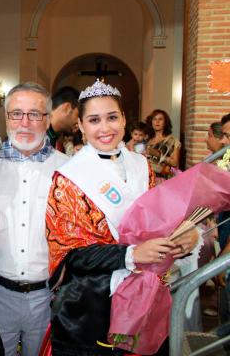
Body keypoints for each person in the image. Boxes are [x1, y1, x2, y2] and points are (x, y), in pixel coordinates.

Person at [45, 81, 199, 355]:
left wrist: (183, 236)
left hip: (147, 296)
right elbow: (72, 254)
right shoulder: (68, 177)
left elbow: (159, 220)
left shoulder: (142, 166)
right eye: (94, 120)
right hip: (92, 305)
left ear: (125, 119)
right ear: (80, 125)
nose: (105, 128)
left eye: (112, 117)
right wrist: (133, 253)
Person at [0, 82, 69, 356]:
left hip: (48, 298)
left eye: (35, 114)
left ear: (48, 118)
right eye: (17, 113)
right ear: (6, 118)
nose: (25, 123)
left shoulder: (68, 171)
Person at [145, 109, 181, 182]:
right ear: (151, 122)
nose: (157, 121)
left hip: (162, 180)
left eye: (160, 119)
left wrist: (158, 154)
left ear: (165, 123)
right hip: (146, 178)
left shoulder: (172, 141)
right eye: (154, 119)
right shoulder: (147, 140)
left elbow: (175, 163)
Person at [46, 86, 79, 152]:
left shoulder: (52, 134)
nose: (79, 122)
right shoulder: (39, 133)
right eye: (78, 115)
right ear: (67, 108)